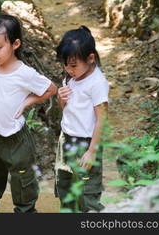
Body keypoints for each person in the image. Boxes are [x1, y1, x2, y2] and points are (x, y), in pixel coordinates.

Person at [0, 14, 57, 213]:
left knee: (22, 177)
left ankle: (25, 211)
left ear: (15, 44)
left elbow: (51, 89)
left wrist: (27, 103)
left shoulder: (24, 73)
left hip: (16, 139)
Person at [54, 25, 109, 212]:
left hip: (85, 143)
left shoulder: (97, 83)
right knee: (65, 189)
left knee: (87, 194)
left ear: (91, 58)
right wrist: (60, 100)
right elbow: (66, 109)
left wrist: (92, 151)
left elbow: (102, 118)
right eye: (65, 64)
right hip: (66, 140)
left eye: (73, 65)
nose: (68, 69)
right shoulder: (70, 77)